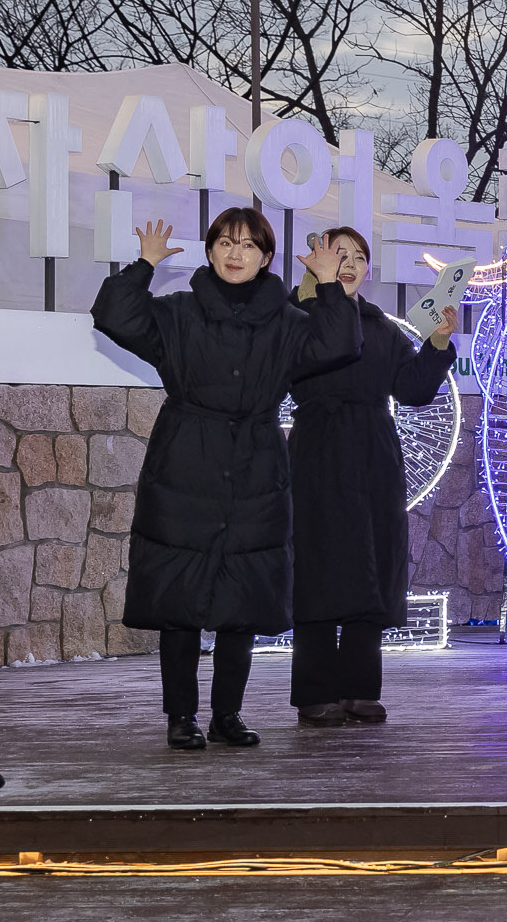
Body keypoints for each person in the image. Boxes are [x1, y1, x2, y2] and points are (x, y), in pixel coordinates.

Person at [92, 206, 362, 751]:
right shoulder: (180, 312)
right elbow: (114, 316)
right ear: (211, 250)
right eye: (224, 242)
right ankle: (181, 717)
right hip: (184, 464)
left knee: (242, 604)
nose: (234, 253)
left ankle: (227, 716)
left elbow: (340, 345)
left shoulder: (288, 323)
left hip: (257, 468)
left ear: (265, 258)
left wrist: (329, 284)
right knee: (180, 603)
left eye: (247, 246)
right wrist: (143, 265)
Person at [284, 226, 460, 727]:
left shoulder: (381, 327)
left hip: (375, 457)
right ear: (316, 261)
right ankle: (314, 692)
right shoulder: (296, 316)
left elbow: (411, 390)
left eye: (359, 257)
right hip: (318, 452)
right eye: (339, 254)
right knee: (318, 570)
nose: (350, 263)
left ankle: (360, 689)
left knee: (371, 567)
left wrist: (438, 344)